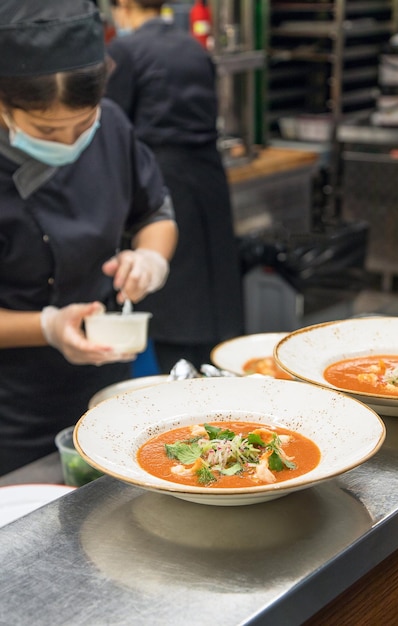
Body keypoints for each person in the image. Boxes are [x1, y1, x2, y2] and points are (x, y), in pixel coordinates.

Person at [0, 0, 178, 475]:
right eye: (45, 129)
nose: (67, 142)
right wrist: (46, 326)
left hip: (105, 388)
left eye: (82, 124)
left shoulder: (112, 126)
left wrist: (149, 258)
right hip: (11, 411)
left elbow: (155, 210)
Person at [105, 0, 244, 373]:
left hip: (163, 178)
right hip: (209, 177)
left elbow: (111, 125)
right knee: (215, 286)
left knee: (176, 292)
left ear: (127, 5)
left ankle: (179, 375)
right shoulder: (190, 45)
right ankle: (215, 369)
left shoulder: (124, 50)